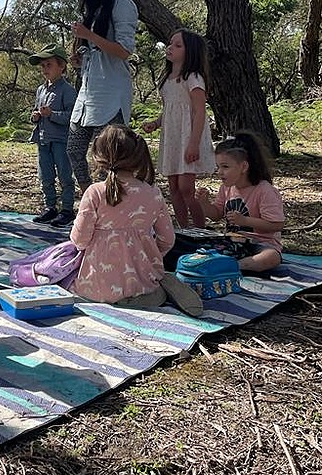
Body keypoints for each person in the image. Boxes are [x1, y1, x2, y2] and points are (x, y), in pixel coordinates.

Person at [69, 125, 181, 307]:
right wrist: (144, 253)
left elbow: (79, 240)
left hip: (96, 288)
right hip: (143, 286)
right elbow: (167, 239)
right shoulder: (153, 193)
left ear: (100, 155)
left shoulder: (95, 192)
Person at [62, 0, 139, 195]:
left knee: (107, 158)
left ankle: (110, 207)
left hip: (110, 93)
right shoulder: (94, 7)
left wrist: (89, 36)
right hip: (88, 92)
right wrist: (81, 56)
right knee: (74, 149)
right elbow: (94, 48)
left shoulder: (123, 4)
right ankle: (90, 199)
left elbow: (125, 51)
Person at [142, 28, 215, 226]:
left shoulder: (193, 77)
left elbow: (200, 112)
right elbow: (169, 109)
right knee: (173, 187)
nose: (170, 47)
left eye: (178, 45)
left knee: (186, 189)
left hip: (188, 137)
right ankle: (183, 229)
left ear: (190, 51)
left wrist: (193, 144)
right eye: (170, 43)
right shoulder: (166, 79)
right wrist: (156, 123)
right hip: (173, 138)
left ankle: (200, 231)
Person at [196, 131, 285, 274]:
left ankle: (235, 265)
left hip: (260, 244)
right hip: (232, 242)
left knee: (271, 257)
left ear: (244, 167)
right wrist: (204, 203)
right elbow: (216, 215)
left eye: (225, 167)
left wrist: (245, 221)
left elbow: (277, 224)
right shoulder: (226, 188)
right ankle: (223, 263)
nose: (219, 172)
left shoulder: (264, 190)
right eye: (218, 167)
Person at [28, 43, 77, 228]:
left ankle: (66, 210)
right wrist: (35, 116)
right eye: (42, 66)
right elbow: (37, 110)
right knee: (45, 175)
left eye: (49, 65)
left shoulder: (68, 90)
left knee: (65, 175)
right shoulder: (41, 90)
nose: (44, 69)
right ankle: (50, 207)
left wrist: (52, 115)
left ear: (61, 66)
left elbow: (73, 116)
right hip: (42, 139)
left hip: (60, 140)